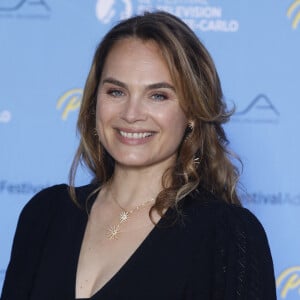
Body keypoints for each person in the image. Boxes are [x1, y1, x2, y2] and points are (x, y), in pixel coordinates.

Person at [1, 11, 276, 300]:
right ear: (95, 103)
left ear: (192, 112)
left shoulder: (228, 235)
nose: (131, 114)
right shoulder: (45, 214)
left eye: (158, 95)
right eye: (116, 92)